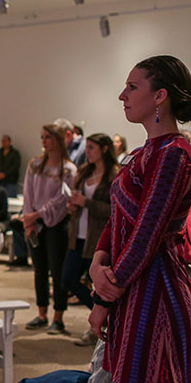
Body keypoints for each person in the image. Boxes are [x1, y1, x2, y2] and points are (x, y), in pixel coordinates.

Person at [88, 55, 191, 383]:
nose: (123, 95)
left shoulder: (173, 154)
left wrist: (103, 297)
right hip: (129, 285)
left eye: (132, 87)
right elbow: (117, 218)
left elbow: (146, 236)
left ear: (160, 96)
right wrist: (97, 261)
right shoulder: (144, 153)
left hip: (154, 288)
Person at [23, 124, 77, 335]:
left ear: (59, 140)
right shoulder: (35, 164)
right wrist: (29, 219)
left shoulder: (68, 169)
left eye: (48, 137)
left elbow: (63, 198)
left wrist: (38, 214)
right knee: (39, 270)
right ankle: (42, 313)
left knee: (57, 271)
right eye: (42, 137)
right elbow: (28, 192)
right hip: (35, 223)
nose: (44, 141)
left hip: (57, 223)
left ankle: (58, 316)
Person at [64, 133, 118, 347]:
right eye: (87, 147)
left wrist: (86, 202)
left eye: (92, 147)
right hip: (78, 233)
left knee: (97, 283)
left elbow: (114, 209)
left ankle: (96, 323)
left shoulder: (114, 175)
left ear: (104, 149)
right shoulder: (85, 171)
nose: (88, 152)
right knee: (67, 279)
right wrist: (73, 205)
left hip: (97, 238)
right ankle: (101, 315)